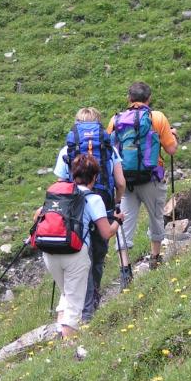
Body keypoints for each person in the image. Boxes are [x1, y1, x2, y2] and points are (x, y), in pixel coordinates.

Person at [35, 154, 124, 339]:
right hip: (75, 253)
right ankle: (68, 350)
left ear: (72, 174)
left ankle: (59, 337)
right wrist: (118, 221)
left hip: (50, 252)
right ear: (95, 177)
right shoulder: (94, 199)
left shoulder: (59, 193)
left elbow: (37, 216)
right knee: (76, 303)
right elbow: (106, 233)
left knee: (67, 294)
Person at [53, 107, 126, 322]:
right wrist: (117, 202)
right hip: (102, 203)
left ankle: (78, 305)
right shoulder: (108, 148)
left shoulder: (67, 150)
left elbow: (60, 182)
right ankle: (92, 300)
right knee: (98, 254)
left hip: (74, 207)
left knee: (78, 253)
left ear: (76, 124)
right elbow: (120, 182)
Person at [107, 81, 178, 275]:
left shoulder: (116, 120)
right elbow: (171, 149)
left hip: (126, 183)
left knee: (124, 222)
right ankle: (155, 259)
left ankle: (125, 270)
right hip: (152, 178)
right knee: (156, 217)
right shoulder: (157, 118)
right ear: (149, 99)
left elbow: (110, 152)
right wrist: (174, 136)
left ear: (129, 99)